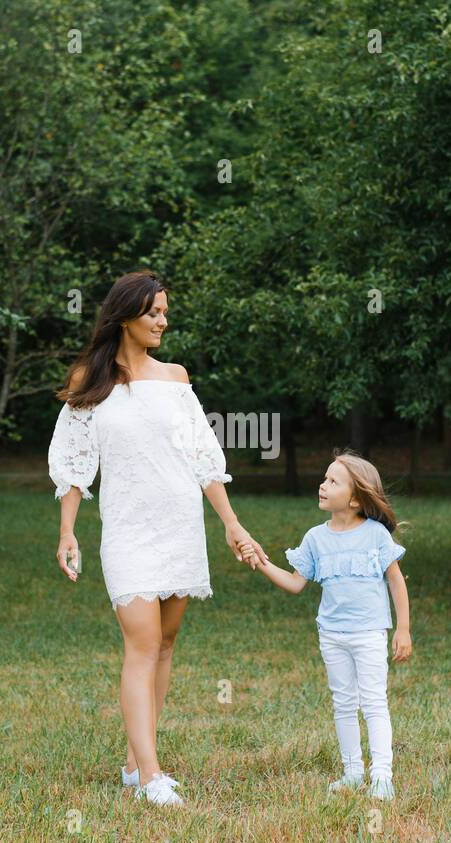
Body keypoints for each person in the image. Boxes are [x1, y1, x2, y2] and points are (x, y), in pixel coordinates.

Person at [49, 269, 269, 807]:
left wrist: (232, 523)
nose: (163, 321)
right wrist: (67, 532)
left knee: (165, 644)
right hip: (128, 530)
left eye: (166, 312)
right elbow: (76, 464)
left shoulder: (176, 378)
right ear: (125, 315)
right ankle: (151, 776)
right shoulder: (90, 382)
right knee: (142, 644)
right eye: (154, 313)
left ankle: (133, 761)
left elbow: (202, 459)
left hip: (180, 523)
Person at [241, 451, 411, 800]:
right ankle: (352, 772)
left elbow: (396, 582)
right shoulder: (316, 538)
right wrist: (260, 562)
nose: (322, 484)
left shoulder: (376, 535)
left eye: (333, 481)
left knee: (374, 702)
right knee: (344, 703)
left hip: (369, 634)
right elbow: (295, 582)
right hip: (331, 636)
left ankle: (381, 776)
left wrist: (403, 629)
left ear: (353, 498)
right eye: (324, 477)